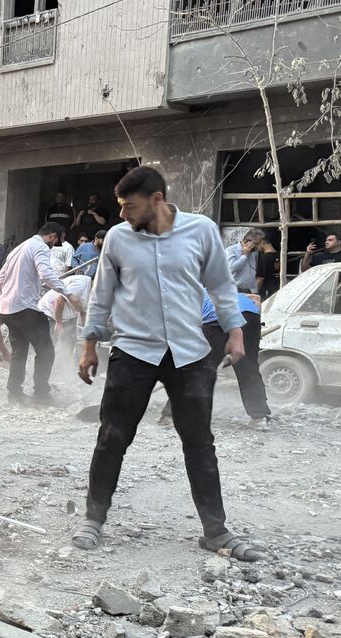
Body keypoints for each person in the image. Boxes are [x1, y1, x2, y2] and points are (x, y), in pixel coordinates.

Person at [74, 165, 260, 562]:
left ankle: (215, 530)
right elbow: (101, 294)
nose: (122, 215)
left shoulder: (201, 230)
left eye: (129, 206)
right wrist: (89, 343)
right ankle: (93, 519)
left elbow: (221, 285)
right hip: (133, 352)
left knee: (199, 443)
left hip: (189, 354)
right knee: (112, 438)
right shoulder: (120, 239)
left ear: (157, 199)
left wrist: (236, 330)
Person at [161, 291, 272, 425]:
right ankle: (259, 417)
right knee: (248, 367)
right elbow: (256, 299)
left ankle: (171, 415)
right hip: (250, 316)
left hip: (217, 319)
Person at [0, 222, 78, 404]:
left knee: (19, 351)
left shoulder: (19, 248)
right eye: (55, 242)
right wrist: (69, 294)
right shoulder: (40, 247)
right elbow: (46, 275)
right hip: (26, 307)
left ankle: (14, 393)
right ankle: (41, 394)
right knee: (46, 351)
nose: (52, 246)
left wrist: (6, 298)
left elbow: (0, 278)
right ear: (52, 237)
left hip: (8, 309)